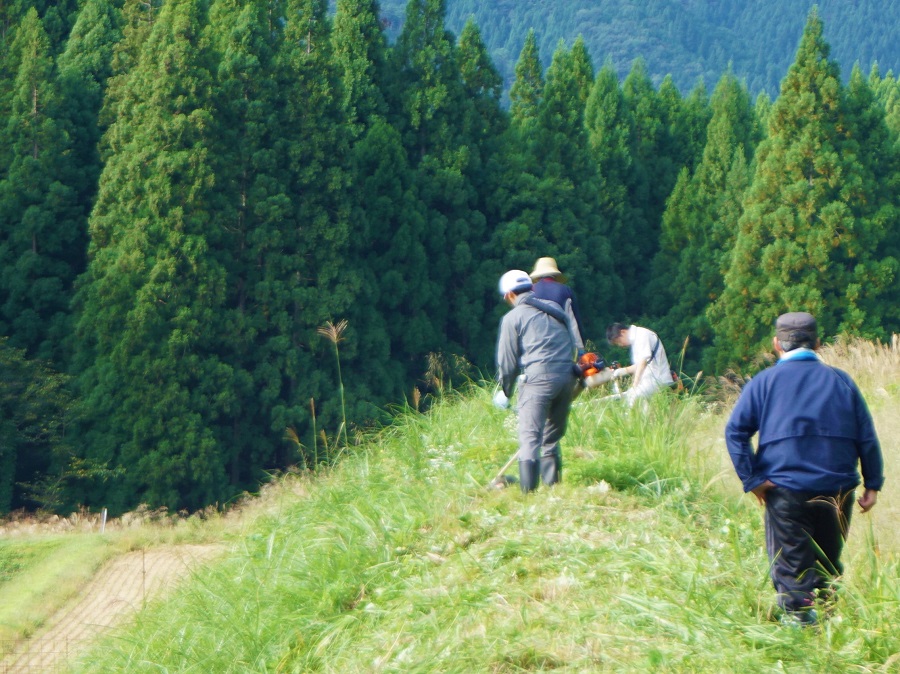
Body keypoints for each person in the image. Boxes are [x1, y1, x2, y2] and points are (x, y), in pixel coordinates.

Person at [724, 312, 884, 626]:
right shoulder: (842, 381)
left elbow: (735, 432)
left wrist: (753, 479)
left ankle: (798, 628)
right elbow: (867, 434)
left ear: (776, 344)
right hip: (838, 487)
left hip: (786, 488)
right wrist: (873, 484)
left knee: (792, 562)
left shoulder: (764, 382)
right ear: (818, 343)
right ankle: (827, 623)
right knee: (827, 560)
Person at [494, 269, 578, 492]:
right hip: (566, 377)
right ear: (531, 288)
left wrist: (505, 390)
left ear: (509, 295)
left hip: (538, 380)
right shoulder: (555, 309)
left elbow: (508, 362)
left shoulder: (512, 318)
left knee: (530, 437)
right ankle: (553, 489)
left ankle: (528, 496)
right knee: (551, 437)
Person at [605, 322, 673, 405]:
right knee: (631, 398)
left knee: (632, 397)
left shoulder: (641, 335)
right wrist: (623, 370)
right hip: (650, 380)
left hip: (658, 378)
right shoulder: (636, 340)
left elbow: (642, 362)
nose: (620, 345)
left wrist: (635, 384)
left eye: (619, 341)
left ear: (623, 332)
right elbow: (640, 364)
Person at [529, 257, 585, 352]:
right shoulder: (565, 291)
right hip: (560, 345)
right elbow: (572, 323)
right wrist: (580, 348)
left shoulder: (530, 292)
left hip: (535, 345)